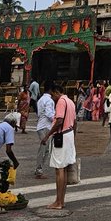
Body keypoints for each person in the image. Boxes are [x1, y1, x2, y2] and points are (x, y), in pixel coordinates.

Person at [43, 81, 77, 210]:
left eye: (53, 95)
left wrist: (47, 135)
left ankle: (58, 201)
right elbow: (74, 122)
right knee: (65, 168)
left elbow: (59, 120)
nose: (52, 98)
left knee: (59, 169)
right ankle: (61, 200)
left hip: (61, 136)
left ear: (57, 92)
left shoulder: (62, 102)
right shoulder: (71, 102)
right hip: (69, 134)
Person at [34, 80, 55, 178]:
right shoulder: (49, 101)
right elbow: (49, 114)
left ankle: (39, 168)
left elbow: (39, 113)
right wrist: (56, 118)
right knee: (44, 149)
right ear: (51, 90)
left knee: (44, 149)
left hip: (41, 125)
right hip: (46, 126)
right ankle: (39, 170)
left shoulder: (41, 99)